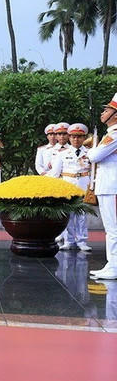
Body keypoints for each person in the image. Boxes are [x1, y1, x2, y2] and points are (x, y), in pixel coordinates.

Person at [49, 123, 93, 251]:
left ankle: (82, 241)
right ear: (69, 137)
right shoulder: (62, 154)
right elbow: (55, 173)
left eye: (79, 137)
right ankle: (69, 240)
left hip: (84, 184)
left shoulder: (90, 153)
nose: (76, 139)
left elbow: (94, 170)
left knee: (82, 215)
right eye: (73, 136)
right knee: (68, 215)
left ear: (84, 138)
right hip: (67, 185)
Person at [88, 95, 117, 279]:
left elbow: (95, 156)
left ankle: (114, 267)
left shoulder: (114, 134)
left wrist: (91, 150)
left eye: (107, 110)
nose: (102, 112)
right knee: (111, 229)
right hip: (107, 186)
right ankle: (111, 264)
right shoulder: (110, 133)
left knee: (114, 229)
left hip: (112, 187)